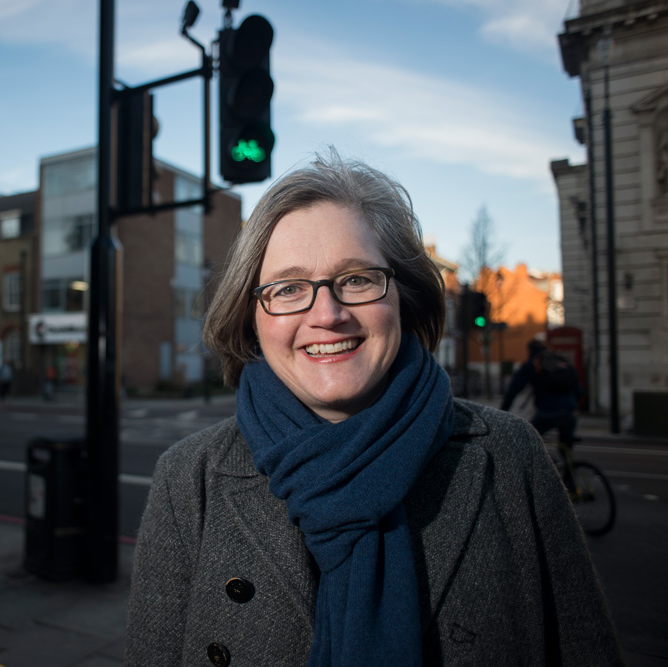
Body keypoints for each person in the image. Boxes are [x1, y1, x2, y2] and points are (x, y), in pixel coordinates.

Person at [125, 150, 621, 666]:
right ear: (251, 317)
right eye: (289, 288)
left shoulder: (508, 455)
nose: (328, 314)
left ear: (402, 297)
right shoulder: (190, 478)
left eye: (357, 279)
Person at [501, 339, 581, 445]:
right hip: (570, 411)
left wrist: (502, 412)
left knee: (527, 440)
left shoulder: (532, 364)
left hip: (548, 411)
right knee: (565, 445)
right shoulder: (558, 360)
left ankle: (545, 461)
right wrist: (575, 407)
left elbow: (513, 390)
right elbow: (577, 387)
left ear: (529, 350)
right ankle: (568, 461)